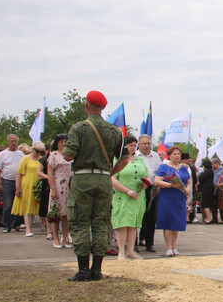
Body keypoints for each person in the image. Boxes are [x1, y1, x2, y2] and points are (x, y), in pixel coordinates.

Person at [61, 90, 128, 282]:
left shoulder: (79, 128)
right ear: (103, 108)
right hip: (104, 180)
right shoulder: (114, 131)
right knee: (101, 223)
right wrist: (109, 173)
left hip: (82, 179)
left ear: (86, 105)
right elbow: (124, 159)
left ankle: (83, 270)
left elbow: (68, 155)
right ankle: (97, 270)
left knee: (80, 222)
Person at [110, 136, 148, 259]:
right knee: (122, 222)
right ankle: (121, 251)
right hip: (123, 195)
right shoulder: (117, 160)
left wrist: (145, 183)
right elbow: (112, 179)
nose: (133, 147)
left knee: (133, 223)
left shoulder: (139, 160)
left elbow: (146, 175)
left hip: (138, 195)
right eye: (130, 145)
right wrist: (127, 190)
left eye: (134, 145)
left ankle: (131, 250)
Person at [154, 145, 192, 256]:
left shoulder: (183, 168)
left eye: (178, 154)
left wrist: (188, 189)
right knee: (168, 222)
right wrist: (170, 185)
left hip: (180, 198)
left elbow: (189, 181)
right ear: (169, 155)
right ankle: (168, 247)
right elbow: (157, 181)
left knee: (177, 223)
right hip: (167, 197)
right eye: (174, 154)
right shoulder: (164, 167)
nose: (177, 156)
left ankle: (174, 246)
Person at [12, 142, 45, 236]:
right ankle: (28, 229)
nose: (39, 153)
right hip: (26, 184)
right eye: (38, 151)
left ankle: (32, 227)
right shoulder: (26, 158)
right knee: (28, 206)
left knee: (35, 206)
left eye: (41, 152)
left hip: (37, 185)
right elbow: (18, 173)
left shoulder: (41, 159)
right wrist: (18, 187)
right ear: (33, 149)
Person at [135, 135, 161, 253]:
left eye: (148, 144)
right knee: (137, 216)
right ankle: (134, 243)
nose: (146, 146)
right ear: (139, 145)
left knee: (151, 217)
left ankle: (149, 243)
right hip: (138, 188)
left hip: (153, 188)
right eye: (144, 144)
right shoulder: (135, 156)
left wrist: (158, 186)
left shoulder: (155, 156)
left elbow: (160, 173)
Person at [47, 134, 72, 248]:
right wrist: (52, 188)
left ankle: (65, 236)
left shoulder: (70, 156)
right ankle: (56, 238)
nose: (64, 144)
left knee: (66, 214)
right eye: (61, 142)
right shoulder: (53, 155)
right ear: (57, 143)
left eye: (65, 141)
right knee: (56, 214)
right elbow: (50, 173)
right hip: (58, 185)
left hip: (69, 185)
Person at [0, 133, 25, 232]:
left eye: (15, 141)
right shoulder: (3, 154)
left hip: (19, 182)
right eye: (11, 141)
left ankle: (16, 224)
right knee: (7, 205)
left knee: (18, 204)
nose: (13, 143)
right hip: (7, 181)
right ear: (8, 142)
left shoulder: (21, 154)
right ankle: (7, 225)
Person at [36, 141, 52, 239]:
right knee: (46, 207)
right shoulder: (45, 158)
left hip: (59, 183)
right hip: (47, 184)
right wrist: (48, 177)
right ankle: (48, 230)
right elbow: (39, 172)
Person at [197, 159, 215, 224]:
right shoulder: (210, 171)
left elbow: (201, 179)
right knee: (205, 204)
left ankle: (208, 218)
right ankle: (207, 218)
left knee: (205, 204)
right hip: (208, 189)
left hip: (206, 190)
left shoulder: (208, 171)